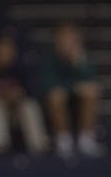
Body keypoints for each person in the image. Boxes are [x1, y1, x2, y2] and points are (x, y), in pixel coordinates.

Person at [41, 22, 103, 159]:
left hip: (77, 99)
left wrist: (77, 63)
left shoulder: (81, 57)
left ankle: (86, 139)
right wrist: (71, 87)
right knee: (56, 96)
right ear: (57, 39)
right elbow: (47, 84)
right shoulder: (49, 57)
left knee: (91, 92)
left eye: (70, 37)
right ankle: (63, 140)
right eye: (63, 37)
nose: (67, 41)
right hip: (56, 100)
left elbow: (92, 80)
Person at [0, 35, 48, 155]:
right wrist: (1, 95)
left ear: (13, 53)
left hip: (18, 109)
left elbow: (32, 92)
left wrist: (18, 94)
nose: (2, 55)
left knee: (29, 106)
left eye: (5, 52)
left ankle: (38, 145)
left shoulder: (22, 69)